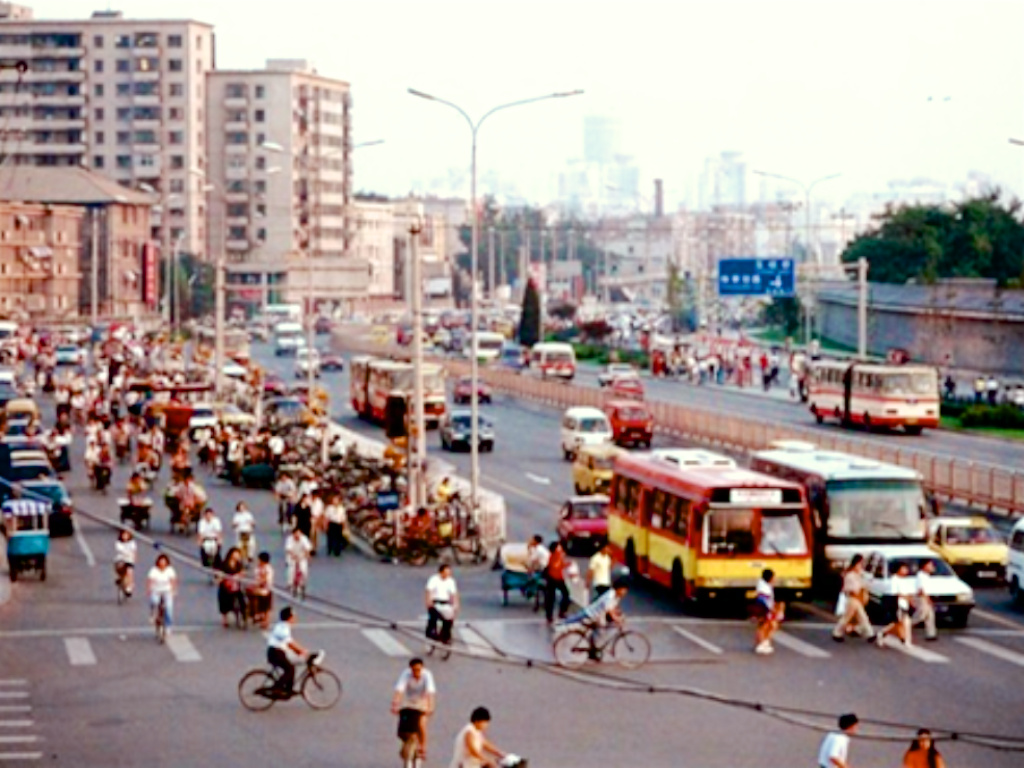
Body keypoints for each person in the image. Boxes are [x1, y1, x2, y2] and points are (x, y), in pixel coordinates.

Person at [391, 657, 437, 761]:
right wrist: (395, 704)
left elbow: (430, 693)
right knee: (403, 724)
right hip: (409, 701)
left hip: (423, 701)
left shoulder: (427, 675)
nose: (416, 672)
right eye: (414, 670)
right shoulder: (406, 674)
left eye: (418, 669)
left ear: (422, 668)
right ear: (410, 669)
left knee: (421, 723)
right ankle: (406, 742)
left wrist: (431, 707)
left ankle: (422, 747)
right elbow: (399, 690)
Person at [266, 607, 310, 697]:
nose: (295, 618)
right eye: (294, 616)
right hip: (276, 653)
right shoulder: (283, 628)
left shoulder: (283, 626)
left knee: (291, 666)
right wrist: (302, 651)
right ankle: (277, 688)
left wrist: (299, 651)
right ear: (289, 618)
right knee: (290, 670)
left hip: (278, 652)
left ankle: (288, 689)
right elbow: (290, 643)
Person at [832, 555, 875, 642]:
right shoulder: (850, 575)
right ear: (855, 564)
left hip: (858, 599)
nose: (861, 566)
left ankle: (870, 634)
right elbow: (850, 589)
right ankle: (837, 633)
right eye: (859, 564)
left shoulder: (859, 574)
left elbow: (867, 581)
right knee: (847, 618)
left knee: (863, 617)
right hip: (852, 599)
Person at [877, 562, 914, 647]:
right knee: (903, 622)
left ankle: (882, 633)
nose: (906, 570)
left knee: (899, 623)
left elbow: (909, 592)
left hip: (905, 604)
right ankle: (906, 641)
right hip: (898, 604)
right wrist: (905, 597)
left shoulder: (905, 580)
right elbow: (895, 593)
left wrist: (910, 600)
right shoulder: (894, 579)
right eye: (903, 568)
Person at [425, 563, 459, 650]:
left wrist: (455, 604)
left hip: (445, 603)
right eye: (446, 573)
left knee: (449, 619)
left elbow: (454, 594)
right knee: (434, 617)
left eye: (449, 573)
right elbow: (429, 591)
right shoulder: (434, 579)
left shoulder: (451, 581)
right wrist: (429, 601)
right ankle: (431, 633)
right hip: (435, 602)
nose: (447, 575)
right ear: (440, 572)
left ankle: (445, 635)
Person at [752, 568, 784, 655]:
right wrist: (772, 609)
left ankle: (764, 642)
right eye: (773, 577)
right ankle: (762, 643)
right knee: (765, 625)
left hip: (764, 607)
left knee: (768, 625)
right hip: (764, 608)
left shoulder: (765, 585)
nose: (774, 579)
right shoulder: (764, 588)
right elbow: (764, 600)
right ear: (769, 578)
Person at [147, 554, 178, 633]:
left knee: (169, 608)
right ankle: (153, 614)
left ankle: (168, 625)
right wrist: (149, 589)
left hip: (167, 591)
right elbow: (150, 580)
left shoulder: (170, 570)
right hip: (156, 590)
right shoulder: (154, 570)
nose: (162, 563)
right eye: (161, 561)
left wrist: (173, 590)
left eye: (164, 562)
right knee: (154, 601)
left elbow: (173, 581)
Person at [543, 540, 571, 625]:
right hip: (554, 577)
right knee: (557, 595)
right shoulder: (555, 555)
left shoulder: (557, 555)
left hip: (556, 577)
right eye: (558, 547)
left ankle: (555, 614)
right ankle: (557, 613)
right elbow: (556, 566)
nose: (560, 548)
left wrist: (566, 564)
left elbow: (560, 565)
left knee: (556, 595)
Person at [911, 560, 938, 641]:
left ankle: (931, 634)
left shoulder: (927, 576)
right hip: (921, 598)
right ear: (924, 566)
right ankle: (905, 625)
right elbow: (921, 590)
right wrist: (928, 599)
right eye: (930, 565)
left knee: (930, 616)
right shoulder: (921, 575)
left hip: (926, 597)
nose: (932, 567)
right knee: (920, 616)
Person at [248, 552, 274, 628]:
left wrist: (261, 582)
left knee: (266, 604)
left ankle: (266, 620)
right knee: (251, 594)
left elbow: (268, 579)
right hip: (258, 587)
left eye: (259, 560)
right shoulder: (257, 568)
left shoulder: (268, 568)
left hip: (266, 588)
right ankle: (256, 613)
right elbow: (255, 578)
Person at [284, 526, 313, 593]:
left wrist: (306, 557)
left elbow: (307, 549)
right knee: (291, 571)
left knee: (303, 570)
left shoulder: (304, 539)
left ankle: (301, 584)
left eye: (299, 534)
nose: (297, 535)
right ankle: (290, 584)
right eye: (296, 534)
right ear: (293, 534)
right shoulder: (289, 539)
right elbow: (288, 550)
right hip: (292, 557)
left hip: (302, 557)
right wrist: (294, 556)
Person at [197, 507, 223, 572]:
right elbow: (201, 533)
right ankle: (205, 563)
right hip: (206, 540)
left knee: (217, 553)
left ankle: (218, 565)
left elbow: (218, 532)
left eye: (210, 515)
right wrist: (200, 541)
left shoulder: (216, 521)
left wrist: (219, 540)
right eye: (207, 515)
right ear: (205, 515)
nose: (208, 517)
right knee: (203, 551)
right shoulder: (202, 522)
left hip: (214, 539)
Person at [113, 528, 137, 597]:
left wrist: (134, 558)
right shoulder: (118, 543)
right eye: (124, 535)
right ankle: (119, 578)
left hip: (129, 560)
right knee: (119, 568)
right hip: (121, 559)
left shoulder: (132, 543)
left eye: (127, 535)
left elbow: (134, 551)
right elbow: (120, 550)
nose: (125, 536)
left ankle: (129, 588)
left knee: (130, 572)